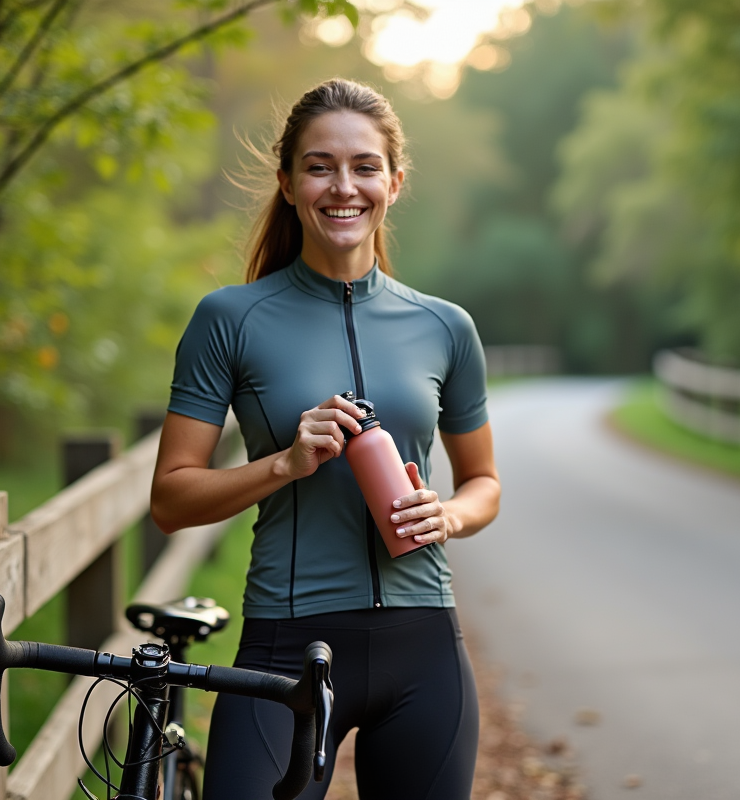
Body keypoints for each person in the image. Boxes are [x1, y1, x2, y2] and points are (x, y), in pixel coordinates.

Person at [150, 78, 501, 800]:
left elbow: (484, 483)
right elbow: (171, 500)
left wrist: (452, 514)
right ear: (287, 182)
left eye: (364, 166)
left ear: (395, 182)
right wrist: (284, 461)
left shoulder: (445, 327)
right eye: (319, 166)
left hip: (423, 648)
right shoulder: (231, 320)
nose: (344, 187)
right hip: (284, 648)